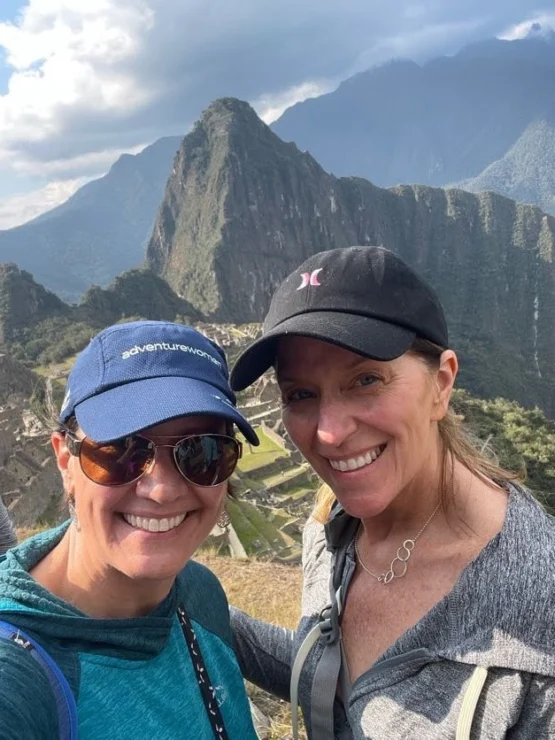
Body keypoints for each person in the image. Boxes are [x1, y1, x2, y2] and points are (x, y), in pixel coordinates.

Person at [229, 246, 555, 739]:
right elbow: (338, 685)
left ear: (441, 383)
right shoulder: (329, 528)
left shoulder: (539, 617)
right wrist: (189, 595)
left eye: (365, 379)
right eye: (300, 394)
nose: (330, 433)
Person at [0, 320, 260, 739]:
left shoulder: (199, 592)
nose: (161, 491)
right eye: (120, 451)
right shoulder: (18, 679)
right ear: (65, 461)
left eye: (203, 452)